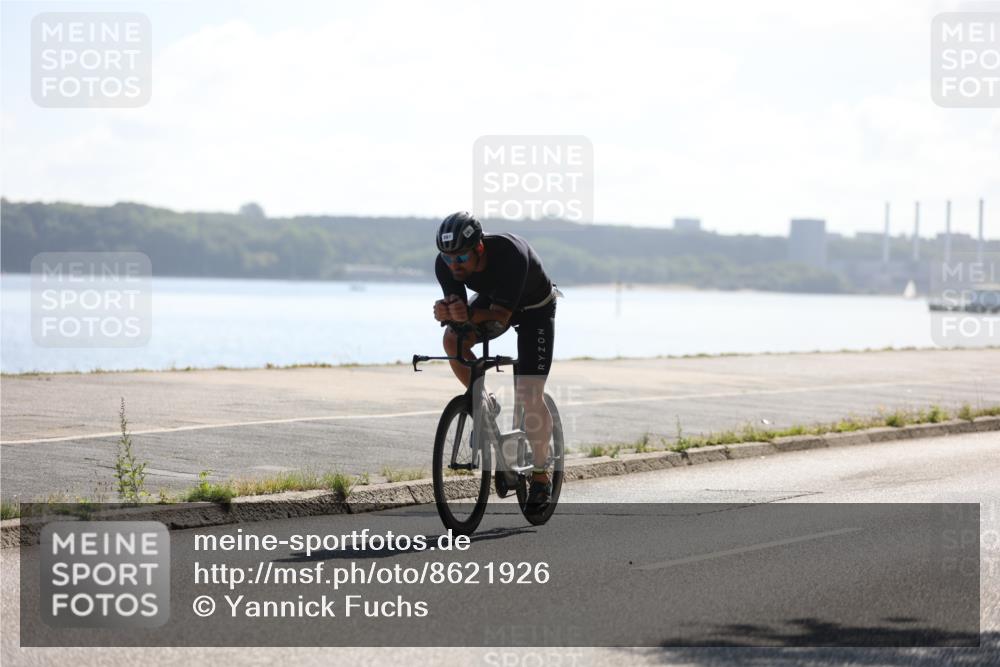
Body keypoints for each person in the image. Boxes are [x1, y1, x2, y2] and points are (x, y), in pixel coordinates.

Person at [431, 211, 559, 509]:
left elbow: (501, 318)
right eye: (448, 259)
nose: (454, 266)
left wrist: (465, 313)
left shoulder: (510, 255)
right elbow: (459, 307)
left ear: (479, 248)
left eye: (460, 259)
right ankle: (485, 400)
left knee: (529, 395)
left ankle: (541, 477)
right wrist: (448, 311)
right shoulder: (446, 264)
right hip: (494, 299)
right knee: (452, 339)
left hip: (534, 309)